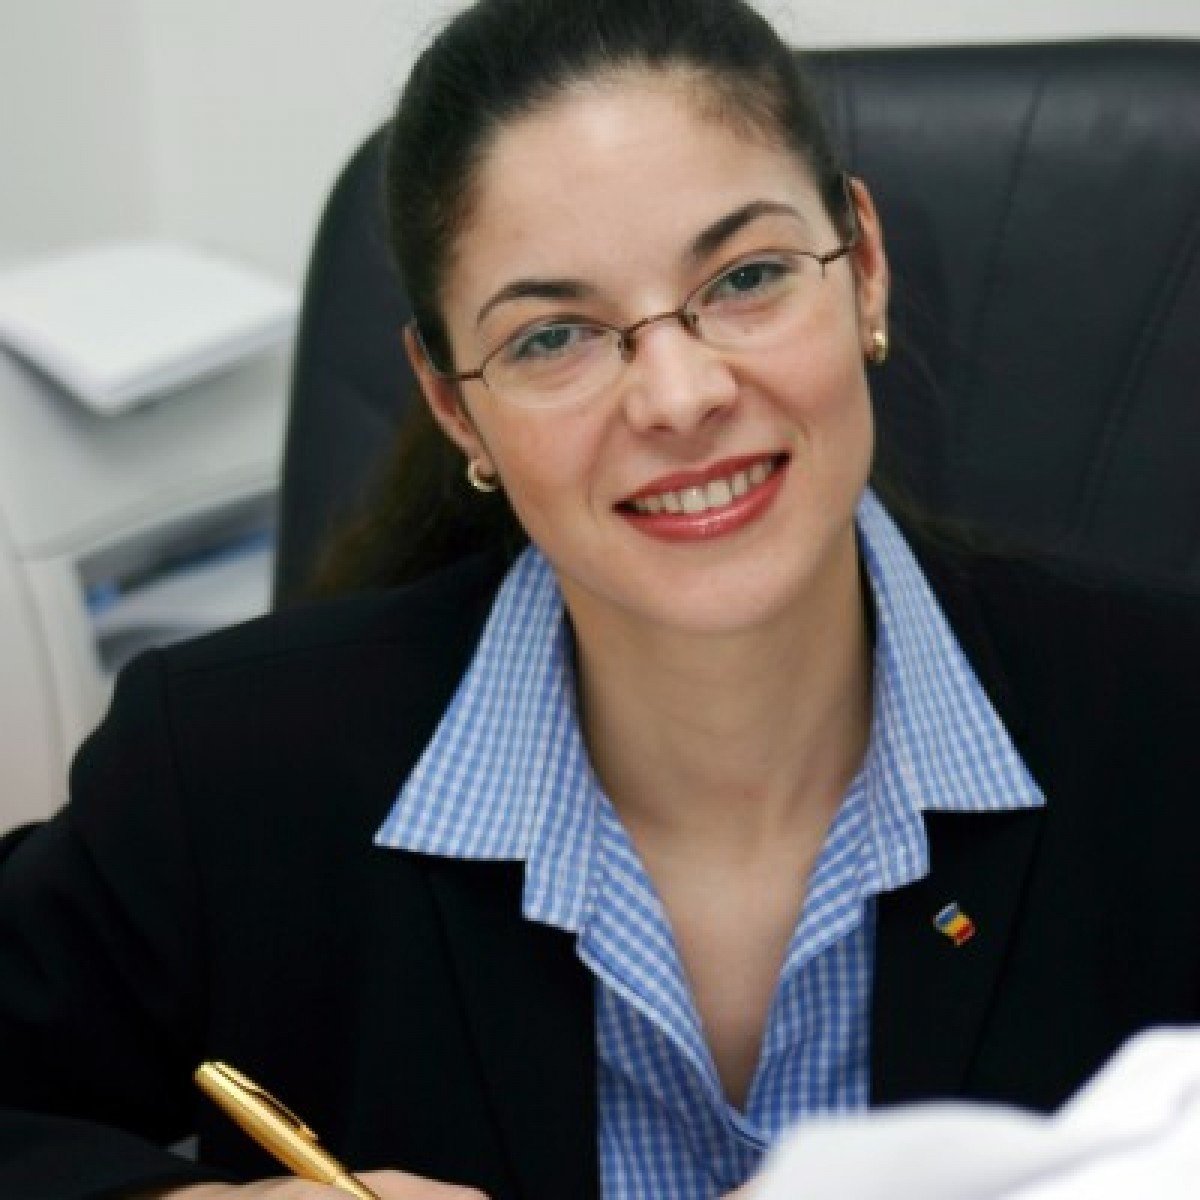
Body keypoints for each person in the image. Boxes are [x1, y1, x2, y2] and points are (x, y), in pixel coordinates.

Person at [1, 1, 1197, 1197]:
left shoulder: (1168, 726)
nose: (679, 397)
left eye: (747, 277)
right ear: (455, 405)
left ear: (865, 270)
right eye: (554, 337)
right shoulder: (228, 771)